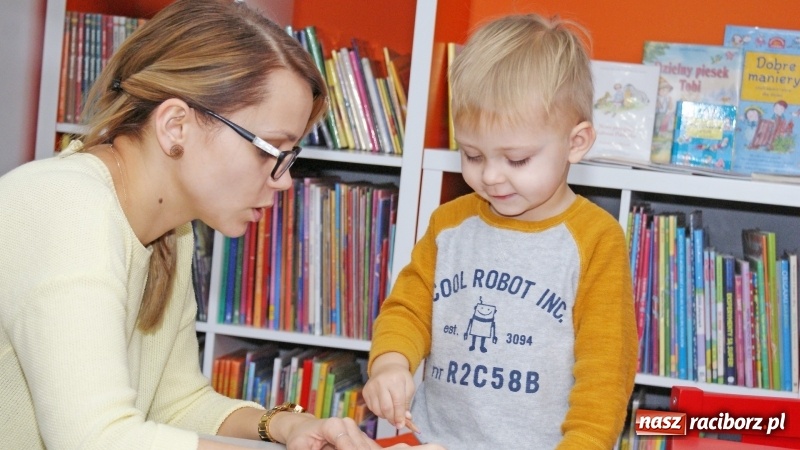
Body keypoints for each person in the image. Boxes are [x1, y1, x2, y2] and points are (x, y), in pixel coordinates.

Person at [0, 1, 444, 450]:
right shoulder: (68, 207)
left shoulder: (171, 232)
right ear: (176, 125)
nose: (285, 179)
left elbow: (177, 403)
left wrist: (288, 426)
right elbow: (95, 440)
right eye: (270, 149)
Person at [363, 13, 638, 450]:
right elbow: (408, 310)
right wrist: (391, 364)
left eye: (517, 159)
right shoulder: (450, 224)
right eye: (472, 154)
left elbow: (606, 369)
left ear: (576, 142)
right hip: (435, 440)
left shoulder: (595, 239)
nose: (490, 176)